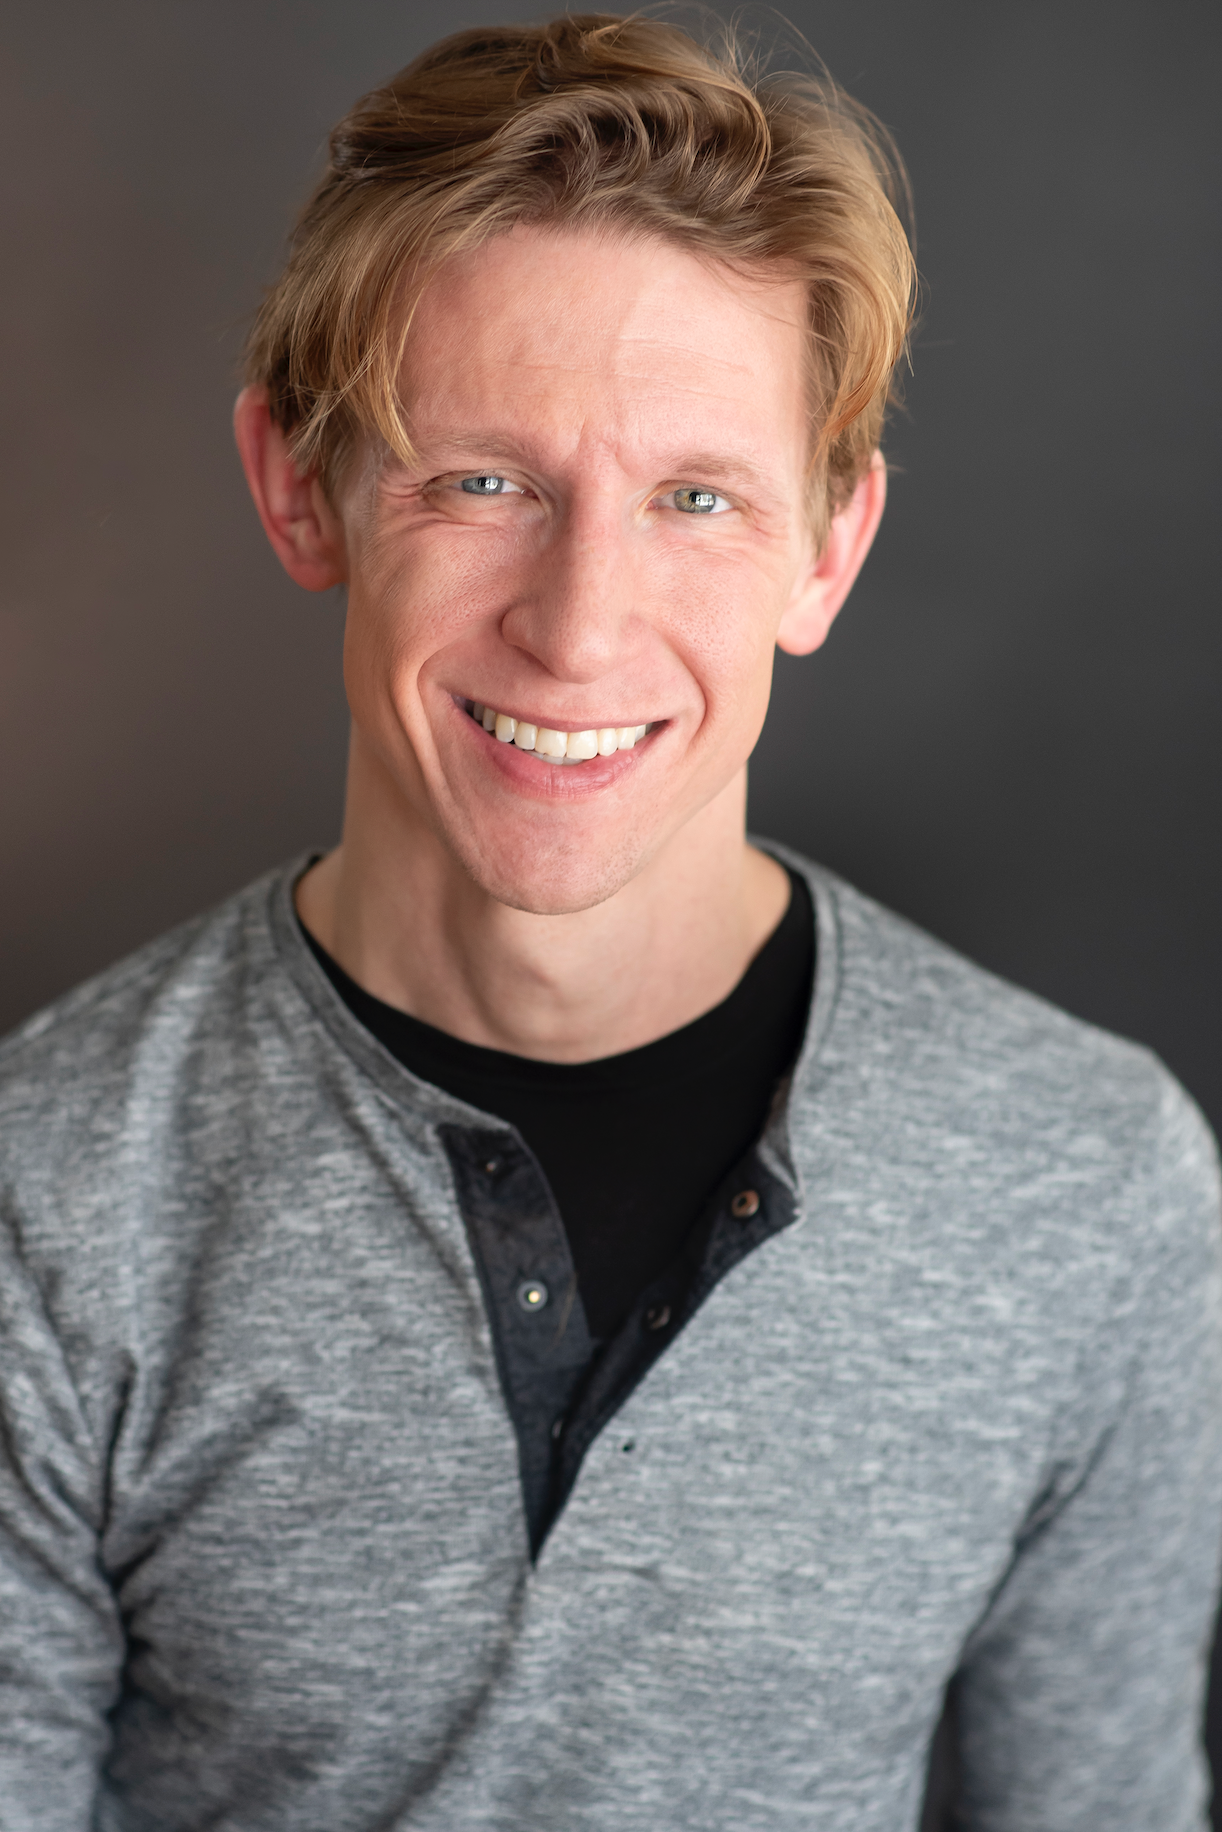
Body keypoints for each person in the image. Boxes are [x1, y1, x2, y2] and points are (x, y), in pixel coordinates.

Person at [1, 13, 1219, 1830]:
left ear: (827, 547)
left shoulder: (1091, 1181)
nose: (579, 626)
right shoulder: (49, 1188)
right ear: (295, 485)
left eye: (696, 499)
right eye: (482, 480)